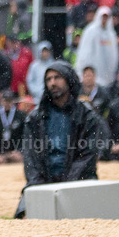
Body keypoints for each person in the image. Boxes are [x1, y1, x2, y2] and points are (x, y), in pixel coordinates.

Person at [16, 61, 107, 217]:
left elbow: (87, 156)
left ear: (69, 79)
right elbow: (31, 159)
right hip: (43, 183)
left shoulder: (87, 116)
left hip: (79, 183)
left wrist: (65, 187)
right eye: (48, 79)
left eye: (57, 77)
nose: (52, 82)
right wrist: (41, 187)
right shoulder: (35, 118)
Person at [75, 7, 119, 88]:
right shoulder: (90, 30)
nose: (104, 19)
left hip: (106, 71)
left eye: (106, 17)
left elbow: (114, 53)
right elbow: (85, 51)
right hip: (93, 66)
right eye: (103, 17)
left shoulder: (111, 33)